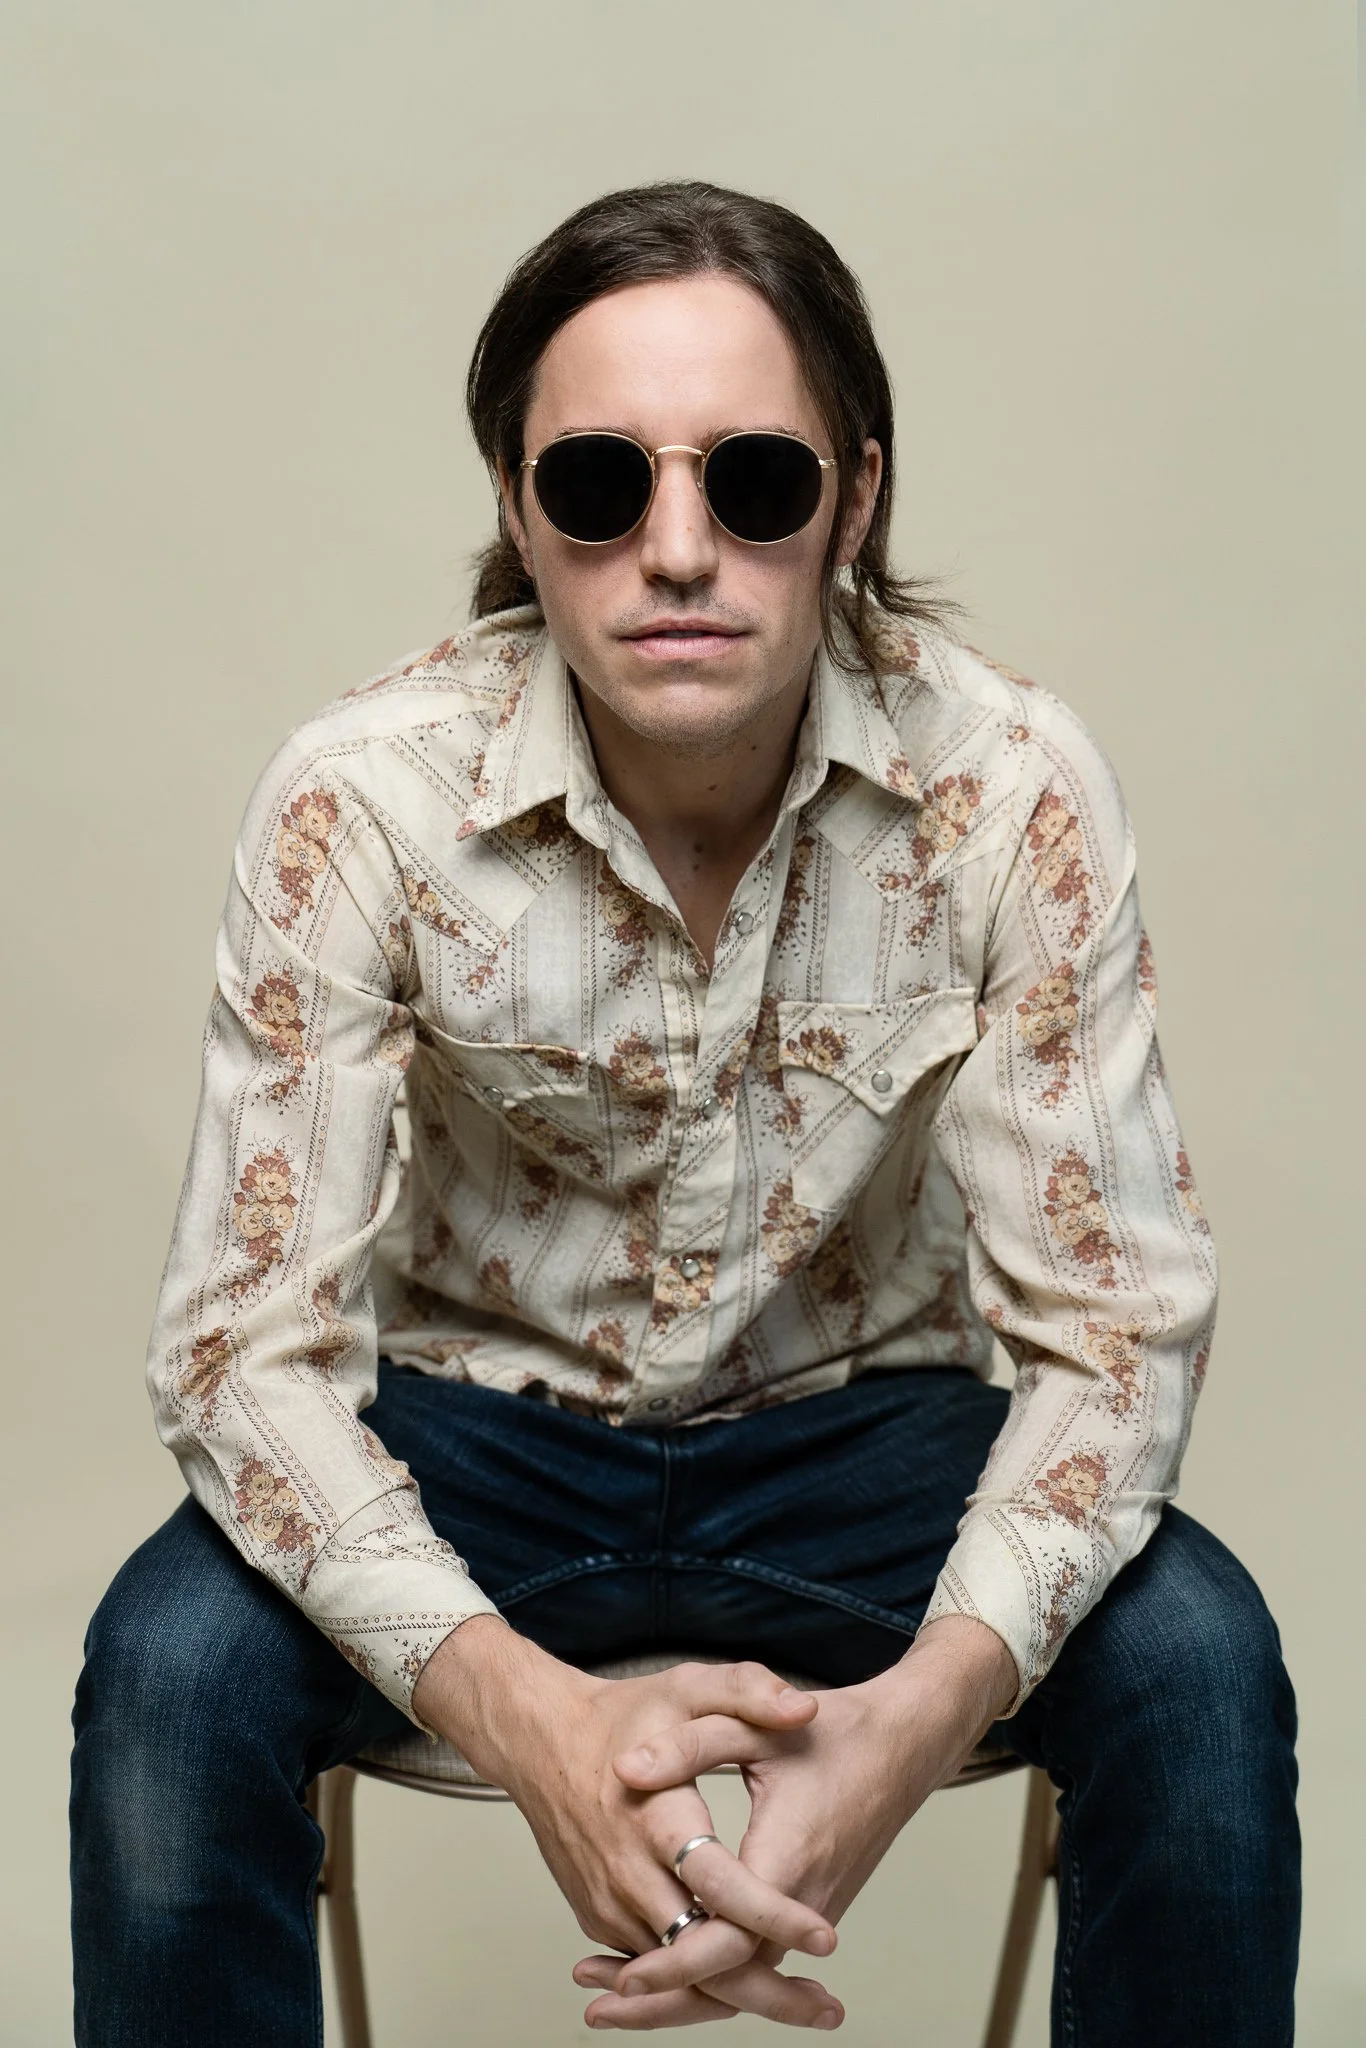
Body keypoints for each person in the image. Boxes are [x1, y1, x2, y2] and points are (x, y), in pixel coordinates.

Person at [70, 179, 1299, 2045]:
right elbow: (240, 1353)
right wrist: (531, 1725)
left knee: (1197, 1666)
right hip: (475, 1436)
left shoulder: (1010, 788)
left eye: (754, 481)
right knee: (170, 1674)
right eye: (595, 483)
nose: (674, 550)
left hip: (864, 1441)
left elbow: (1117, 1335)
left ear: (853, 502)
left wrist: (909, 1730)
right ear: (516, 510)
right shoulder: (359, 803)